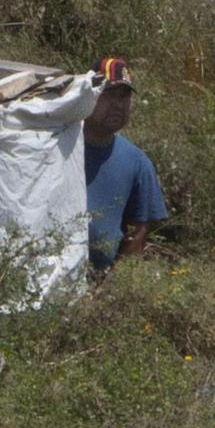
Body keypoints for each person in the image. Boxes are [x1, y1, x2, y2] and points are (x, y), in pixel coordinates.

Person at [83, 57, 167, 271]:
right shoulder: (59, 148)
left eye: (124, 96)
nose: (118, 104)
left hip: (98, 288)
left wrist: (108, 290)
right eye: (108, 94)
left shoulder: (137, 162)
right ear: (87, 96)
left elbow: (137, 234)